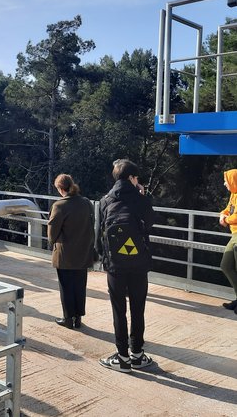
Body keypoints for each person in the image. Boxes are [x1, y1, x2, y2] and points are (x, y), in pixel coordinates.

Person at [98, 159, 155, 373]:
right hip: (138, 264)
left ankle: (122, 358)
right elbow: (150, 223)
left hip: (115, 265)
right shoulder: (140, 200)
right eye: (136, 178)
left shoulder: (105, 200)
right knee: (138, 309)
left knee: (118, 310)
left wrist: (104, 259)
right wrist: (144, 196)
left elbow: (99, 232)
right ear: (132, 178)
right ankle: (137, 355)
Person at [48, 174, 95, 329]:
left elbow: (52, 233)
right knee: (80, 285)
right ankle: (78, 318)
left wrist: (53, 242)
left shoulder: (59, 205)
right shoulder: (86, 203)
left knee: (66, 286)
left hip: (65, 254)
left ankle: (68, 318)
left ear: (61, 189)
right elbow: (91, 224)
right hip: (83, 252)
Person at [218, 169, 237, 313]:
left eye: (226, 181)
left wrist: (226, 220)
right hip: (234, 235)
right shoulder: (233, 194)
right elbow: (227, 210)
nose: (225, 184)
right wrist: (222, 215)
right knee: (226, 265)